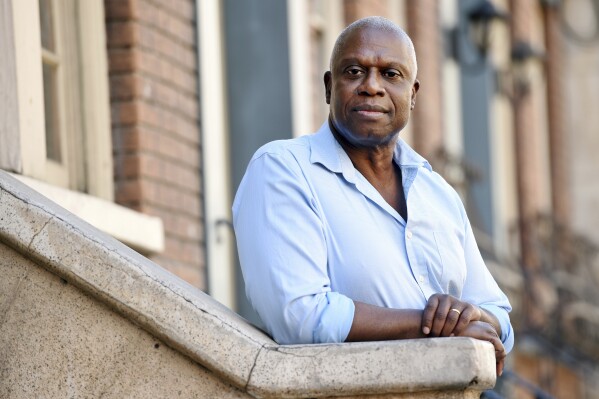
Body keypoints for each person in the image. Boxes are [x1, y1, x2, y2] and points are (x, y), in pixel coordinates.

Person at [233, 16, 513, 376]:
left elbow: (500, 317)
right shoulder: (283, 170)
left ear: (412, 95)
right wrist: (436, 327)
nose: (372, 86)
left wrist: (471, 316)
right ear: (329, 87)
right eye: (354, 71)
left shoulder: (438, 193)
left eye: (391, 74)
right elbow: (302, 317)